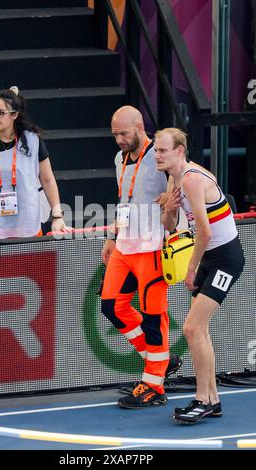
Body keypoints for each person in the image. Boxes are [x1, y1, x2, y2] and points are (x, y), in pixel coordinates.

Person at [155, 127, 245, 424]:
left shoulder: (192, 179)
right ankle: (212, 399)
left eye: (162, 150)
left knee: (192, 328)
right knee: (199, 331)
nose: (157, 155)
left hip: (225, 258)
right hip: (208, 255)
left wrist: (191, 269)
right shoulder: (175, 178)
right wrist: (169, 206)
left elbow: (204, 231)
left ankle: (202, 399)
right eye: (156, 150)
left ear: (179, 151)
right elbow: (170, 225)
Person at [101, 106, 182, 409]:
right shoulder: (119, 159)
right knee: (111, 305)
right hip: (124, 246)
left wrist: (171, 200)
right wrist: (111, 237)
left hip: (151, 249)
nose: (119, 139)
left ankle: (154, 385)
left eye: (123, 133)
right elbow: (123, 200)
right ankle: (158, 358)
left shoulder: (159, 156)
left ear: (139, 126)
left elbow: (180, 182)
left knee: (153, 316)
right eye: (115, 135)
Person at [0, 86, 66, 242]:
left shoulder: (31, 141)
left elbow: (47, 179)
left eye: (1, 113)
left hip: (26, 222)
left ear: (15, 115)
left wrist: (57, 215)